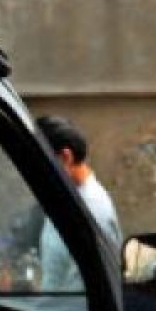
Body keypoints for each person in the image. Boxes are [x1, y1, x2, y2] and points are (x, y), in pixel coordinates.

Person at [36, 115, 122, 291]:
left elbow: (82, 293)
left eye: (37, 165)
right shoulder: (66, 199)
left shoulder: (91, 211)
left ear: (65, 158)